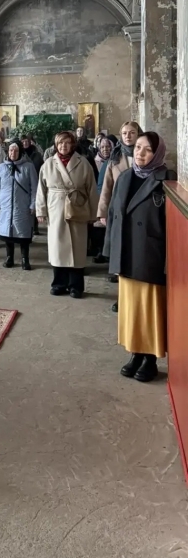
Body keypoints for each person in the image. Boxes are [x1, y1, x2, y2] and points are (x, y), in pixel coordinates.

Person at [107, 132, 175, 383]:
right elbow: (113, 214)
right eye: (137, 147)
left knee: (149, 308)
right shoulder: (125, 177)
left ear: (157, 153)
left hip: (150, 254)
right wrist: (111, 250)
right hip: (126, 252)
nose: (140, 153)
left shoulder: (166, 179)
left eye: (147, 149)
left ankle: (150, 359)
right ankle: (135, 353)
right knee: (131, 309)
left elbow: (172, 225)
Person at [36, 131, 99, 298]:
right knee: (58, 248)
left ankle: (76, 286)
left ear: (72, 144)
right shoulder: (48, 164)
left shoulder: (83, 162)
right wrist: (41, 210)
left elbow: (92, 189)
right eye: (60, 143)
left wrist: (94, 213)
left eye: (67, 143)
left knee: (77, 248)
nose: (63, 146)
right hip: (56, 208)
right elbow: (41, 189)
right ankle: (59, 283)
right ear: (56, 145)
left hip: (78, 207)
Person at [97, 121, 141, 307]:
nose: (128, 136)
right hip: (119, 212)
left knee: (137, 256)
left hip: (139, 212)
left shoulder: (145, 154)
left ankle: (137, 298)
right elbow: (107, 187)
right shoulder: (115, 157)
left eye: (132, 132)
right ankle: (121, 298)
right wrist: (102, 212)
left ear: (138, 134)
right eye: (124, 133)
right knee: (120, 256)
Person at [0, 139, 38, 270]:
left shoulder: (28, 167)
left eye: (16, 150)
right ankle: (9, 258)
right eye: (11, 150)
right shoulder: (1, 167)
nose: (13, 153)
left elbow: (35, 188)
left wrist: (33, 204)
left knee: (23, 235)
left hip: (22, 206)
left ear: (20, 152)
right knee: (8, 234)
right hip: (5, 206)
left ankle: (25, 259)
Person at [90, 136, 113, 262]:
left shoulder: (114, 161)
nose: (105, 149)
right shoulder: (94, 161)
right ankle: (99, 251)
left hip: (109, 196)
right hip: (96, 196)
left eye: (108, 146)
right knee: (98, 226)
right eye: (103, 147)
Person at [22, 133, 44, 236]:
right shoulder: (19, 154)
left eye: (27, 141)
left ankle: (35, 226)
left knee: (35, 204)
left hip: (36, 181)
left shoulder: (37, 154)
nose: (25, 143)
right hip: (23, 183)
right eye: (23, 141)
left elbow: (41, 167)